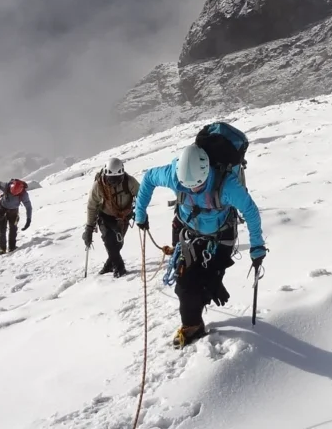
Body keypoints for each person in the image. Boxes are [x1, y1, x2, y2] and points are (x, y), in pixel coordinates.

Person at [135, 144, 267, 347]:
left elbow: (250, 211)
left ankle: (203, 300)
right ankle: (193, 325)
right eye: (186, 187)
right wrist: (140, 214)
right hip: (186, 231)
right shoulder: (173, 175)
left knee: (206, 282)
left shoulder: (226, 185)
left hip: (220, 237)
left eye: (196, 186)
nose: (191, 190)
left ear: (207, 174)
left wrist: (257, 247)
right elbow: (149, 178)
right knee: (184, 283)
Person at [83, 158, 140, 277]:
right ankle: (119, 268)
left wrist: (141, 213)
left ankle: (109, 265)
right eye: (111, 180)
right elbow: (92, 206)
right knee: (109, 241)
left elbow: (141, 195)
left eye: (117, 180)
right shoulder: (98, 186)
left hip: (123, 217)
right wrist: (89, 227)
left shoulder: (130, 182)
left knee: (117, 244)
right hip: (105, 216)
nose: (114, 183)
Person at [0, 179, 32, 254]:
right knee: (4, 229)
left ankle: (10, 247)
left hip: (11, 211)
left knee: (12, 229)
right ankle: (4, 248)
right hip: (4, 209)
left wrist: (28, 219)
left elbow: (28, 206)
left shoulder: (23, 193)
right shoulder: (7, 186)